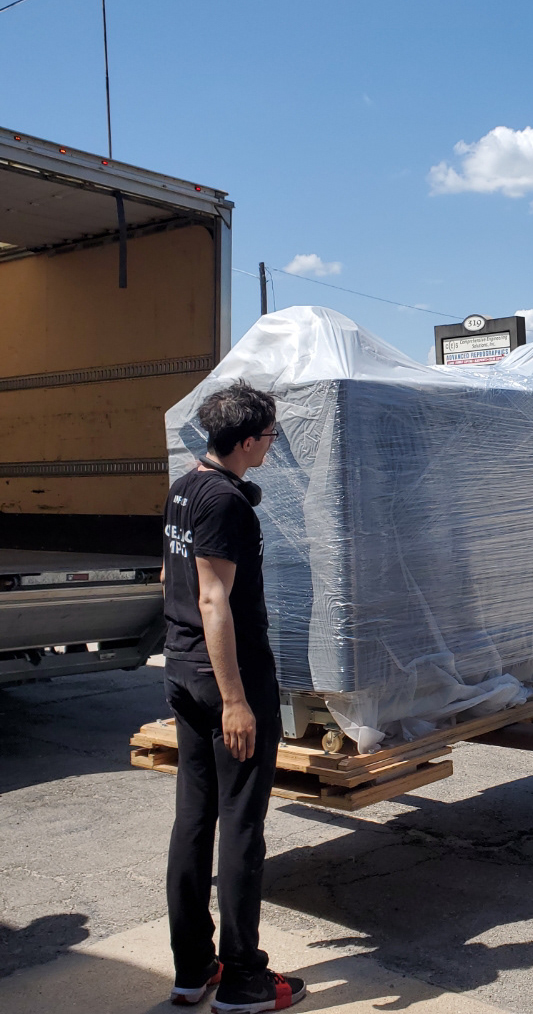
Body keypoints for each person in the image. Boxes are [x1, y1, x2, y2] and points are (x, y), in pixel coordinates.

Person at [162, 380, 306, 1012]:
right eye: (270, 435)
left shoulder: (185, 488)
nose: (272, 444)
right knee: (241, 828)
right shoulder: (226, 503)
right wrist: (237, 701)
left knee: (194, 820)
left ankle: (194, 969)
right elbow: (212, 597)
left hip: (184, 672)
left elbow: (171, 576)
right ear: (247, 440)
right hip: (227, 684)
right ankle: (245, 979)